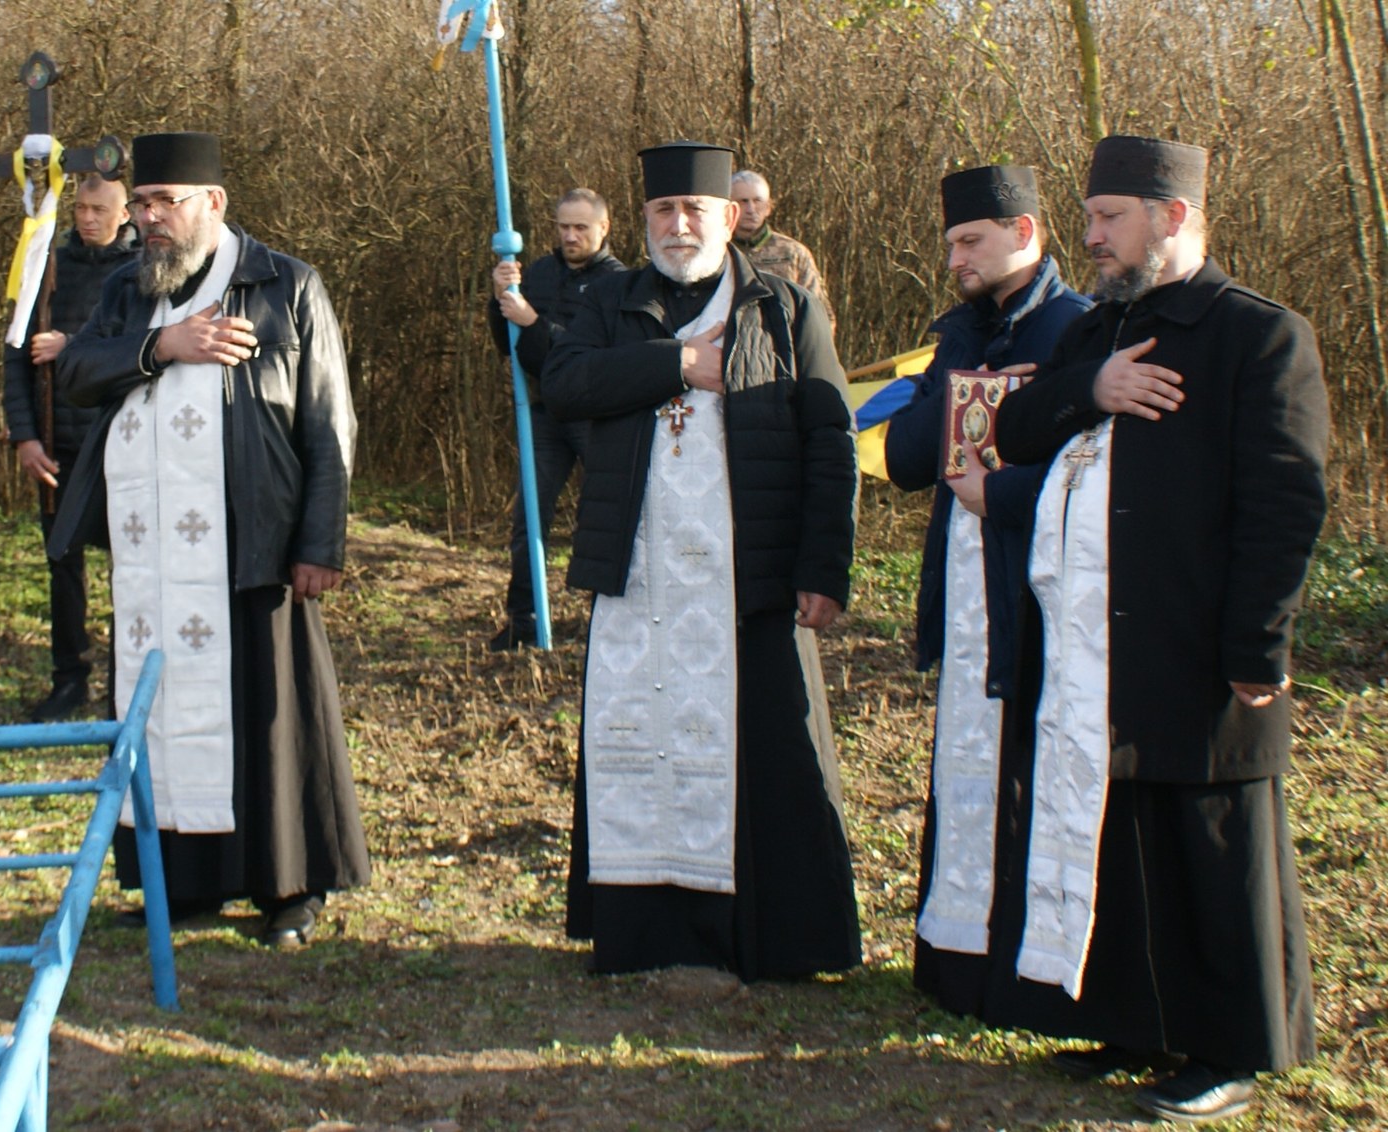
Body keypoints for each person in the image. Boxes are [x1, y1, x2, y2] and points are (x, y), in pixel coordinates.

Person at [989, 136, 1325, 1125]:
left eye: (1106, 219)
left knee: (1210, 842)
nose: (1087, 237)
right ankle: (1129, 1021)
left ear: (1172, 216)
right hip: (1093, 641)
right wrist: (1085, 391)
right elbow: (1013, 432)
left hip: (1198, 637)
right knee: (1119, 837)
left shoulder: (1259, 336)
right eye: (1087, 218)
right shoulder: (1094, 333)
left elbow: (1283, 504)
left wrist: (1255, 645)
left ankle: (1228, 1047)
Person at [544, 141, 859, 980]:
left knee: (769, 757)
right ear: (642, 220)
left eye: (694, 211)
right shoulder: (613, 299)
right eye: (661, 212)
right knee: (636, 744)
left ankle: (776, 939)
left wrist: (825, 568)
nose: (678, 225)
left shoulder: (784, 308)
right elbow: (565, 384)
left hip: (747, 574)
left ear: (730, 217)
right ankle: (647, 935)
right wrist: (679, 363)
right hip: (638, 572)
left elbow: (831, 439)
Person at [47, 131, 368, 949]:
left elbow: (329, 422)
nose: (151, 219)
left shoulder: (285, 285)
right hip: (153, 560)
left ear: (214, 204)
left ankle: (288, 887)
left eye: (168, 203)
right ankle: (183, 882)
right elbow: (75, 373)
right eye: (143, 203)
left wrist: (320, 540)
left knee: (270, 719)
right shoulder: (128, 290)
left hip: (253, 545)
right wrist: (162, 346)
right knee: (156, 712)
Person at [880, 166, 1091, 1020]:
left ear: (1027, 233)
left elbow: (1093, 474)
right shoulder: (957, 334)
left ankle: (1027, 978)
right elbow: (901, 458)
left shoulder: (1080, 329)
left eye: (972, 241)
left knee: (1029, 775)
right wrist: (970, 381)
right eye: (951, 244)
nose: (957, 259)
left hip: (1040, 593)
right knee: (965, 765)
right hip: (963, 588)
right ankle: (956, 967)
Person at [3, 173, 137, 720]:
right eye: (81, 207)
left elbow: (147, 349)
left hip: (122, 444)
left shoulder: (143, 272)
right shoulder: (45, 268)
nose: (88, 218)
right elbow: (15, 357)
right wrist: (26, 436)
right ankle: (69, 678)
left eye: (100, 209)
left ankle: (127, 682)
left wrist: (73, 345)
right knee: (63, 564)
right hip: (58, 445)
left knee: (129, 567)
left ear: (125, 213)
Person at [484, 188, 627, 652]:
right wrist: (499, 298)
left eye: (580, 227)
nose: (569, 235)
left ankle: (610, 620)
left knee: (605, 518)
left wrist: (533, 323)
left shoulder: (620, 284)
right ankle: (523, 619)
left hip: (597, 418)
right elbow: (507, 344)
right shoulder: (538, 274)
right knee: (529, 517)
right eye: (563, 226)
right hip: (543, 415)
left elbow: (593, 359)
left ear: (603, 229)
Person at [730, 169, 830, 318]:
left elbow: (820, 313)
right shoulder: (716, 251)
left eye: (757, 201)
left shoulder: (793, 253)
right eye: (743, 201)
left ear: (769, 207)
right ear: (729, 208)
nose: (751, 209)